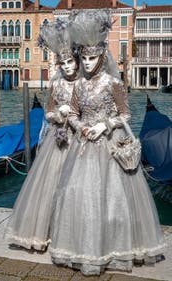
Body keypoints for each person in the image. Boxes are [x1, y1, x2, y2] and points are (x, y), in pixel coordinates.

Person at [49, 10, 165, 275]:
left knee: (114, 198)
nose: (87, 64)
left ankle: (114, 247)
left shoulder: (114, 82)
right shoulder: (78, 85)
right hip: (84, 144)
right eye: (85, 59)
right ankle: (82, 248)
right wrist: (81, 126)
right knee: (78, 194)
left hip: (110, 142)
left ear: (101, 56)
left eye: (92, 58)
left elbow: (125, 113)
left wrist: (106, 124)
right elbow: (75, 114)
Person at [6, 18, 80, 251]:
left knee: (76, 187)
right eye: (63, 63)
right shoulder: (56, 84)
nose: (67, 67)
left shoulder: (86, 84)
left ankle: (73, 237)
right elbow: (48, 112)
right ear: (59, 64)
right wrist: (59, 114)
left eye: (70, 62)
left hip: (78, 140)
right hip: (57, 140)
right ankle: (46, 233)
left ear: (76, 62)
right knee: (50, 186)